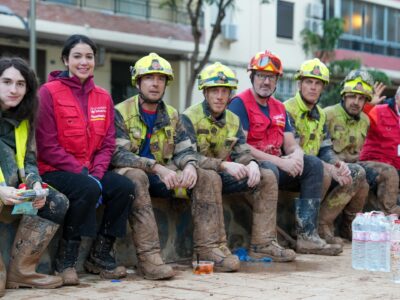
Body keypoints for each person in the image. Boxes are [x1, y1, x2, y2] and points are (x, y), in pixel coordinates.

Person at [111, 53, 239, 276]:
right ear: (138, 82)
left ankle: (208, 250)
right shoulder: (121, 111)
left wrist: (189, 165)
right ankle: (149, 258)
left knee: (207, 176)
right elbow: (117, 155)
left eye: (161, 78)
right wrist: (156, 168)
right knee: (137, 178)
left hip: (164, 175)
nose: (155, 83)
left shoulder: (171, 114)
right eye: (149, 77)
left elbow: (185, 149)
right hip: (133, 173)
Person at [35, 34, 135, 286]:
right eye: (77, 56)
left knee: (124, 187)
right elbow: (47, 146)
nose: (83, 62)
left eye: (89, 57)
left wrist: (98, 174)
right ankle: (65, 260)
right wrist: (83, 173)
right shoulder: (48, 93)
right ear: (65, 60)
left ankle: (100, 254)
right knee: (87, 187)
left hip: (91, 171)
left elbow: (107, 143)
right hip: (54, 169)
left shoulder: (103, 97)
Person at [229, 50, 341, 256]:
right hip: (249, 168)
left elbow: (290, 145)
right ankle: (263, 243)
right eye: (261, 76)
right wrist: (282, 163)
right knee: (271, 168)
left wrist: (297, 156)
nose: (265, 82)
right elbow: (242, 148)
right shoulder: (240, 103)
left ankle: (307, 236)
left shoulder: (279, 107)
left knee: (313, 165)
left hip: (275, 165)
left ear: (277, 80)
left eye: (271, 77)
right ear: (252, 77)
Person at [182, 62, 296, 262]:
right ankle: (207, 249)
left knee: (266, 176)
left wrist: (251, 163)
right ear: (205, 92)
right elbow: (187, 156)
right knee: (210, 176)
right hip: (195, 177)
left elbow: (241, 151)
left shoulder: (233, 119)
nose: (219, 96)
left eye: (224, 91)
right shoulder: (189, 117)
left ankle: (263, 244)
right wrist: (224, 165)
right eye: (214, 91)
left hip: (220, 176)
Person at [0, 57, 69, 296]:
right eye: (6, 81)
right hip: (1, 192)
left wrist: (35, 185)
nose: (13, 89)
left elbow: (29, 161)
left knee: (55, 201)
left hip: (14, 191)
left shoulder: (24, 119)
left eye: (20, 84)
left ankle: (22, 271)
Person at [284, 59, 368, 243]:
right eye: (309, 82)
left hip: (316, 166)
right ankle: (304, 230)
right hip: (292, 167)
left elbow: (326, 149)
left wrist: (337, 164)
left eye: (318, 83)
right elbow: (292, 151)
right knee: (323, 172)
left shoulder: (320, 114)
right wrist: (329, 168)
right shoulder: (287, 109)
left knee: (356, 172)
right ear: (299, 84)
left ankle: (323, 224)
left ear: (322, 88)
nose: (313, 87)